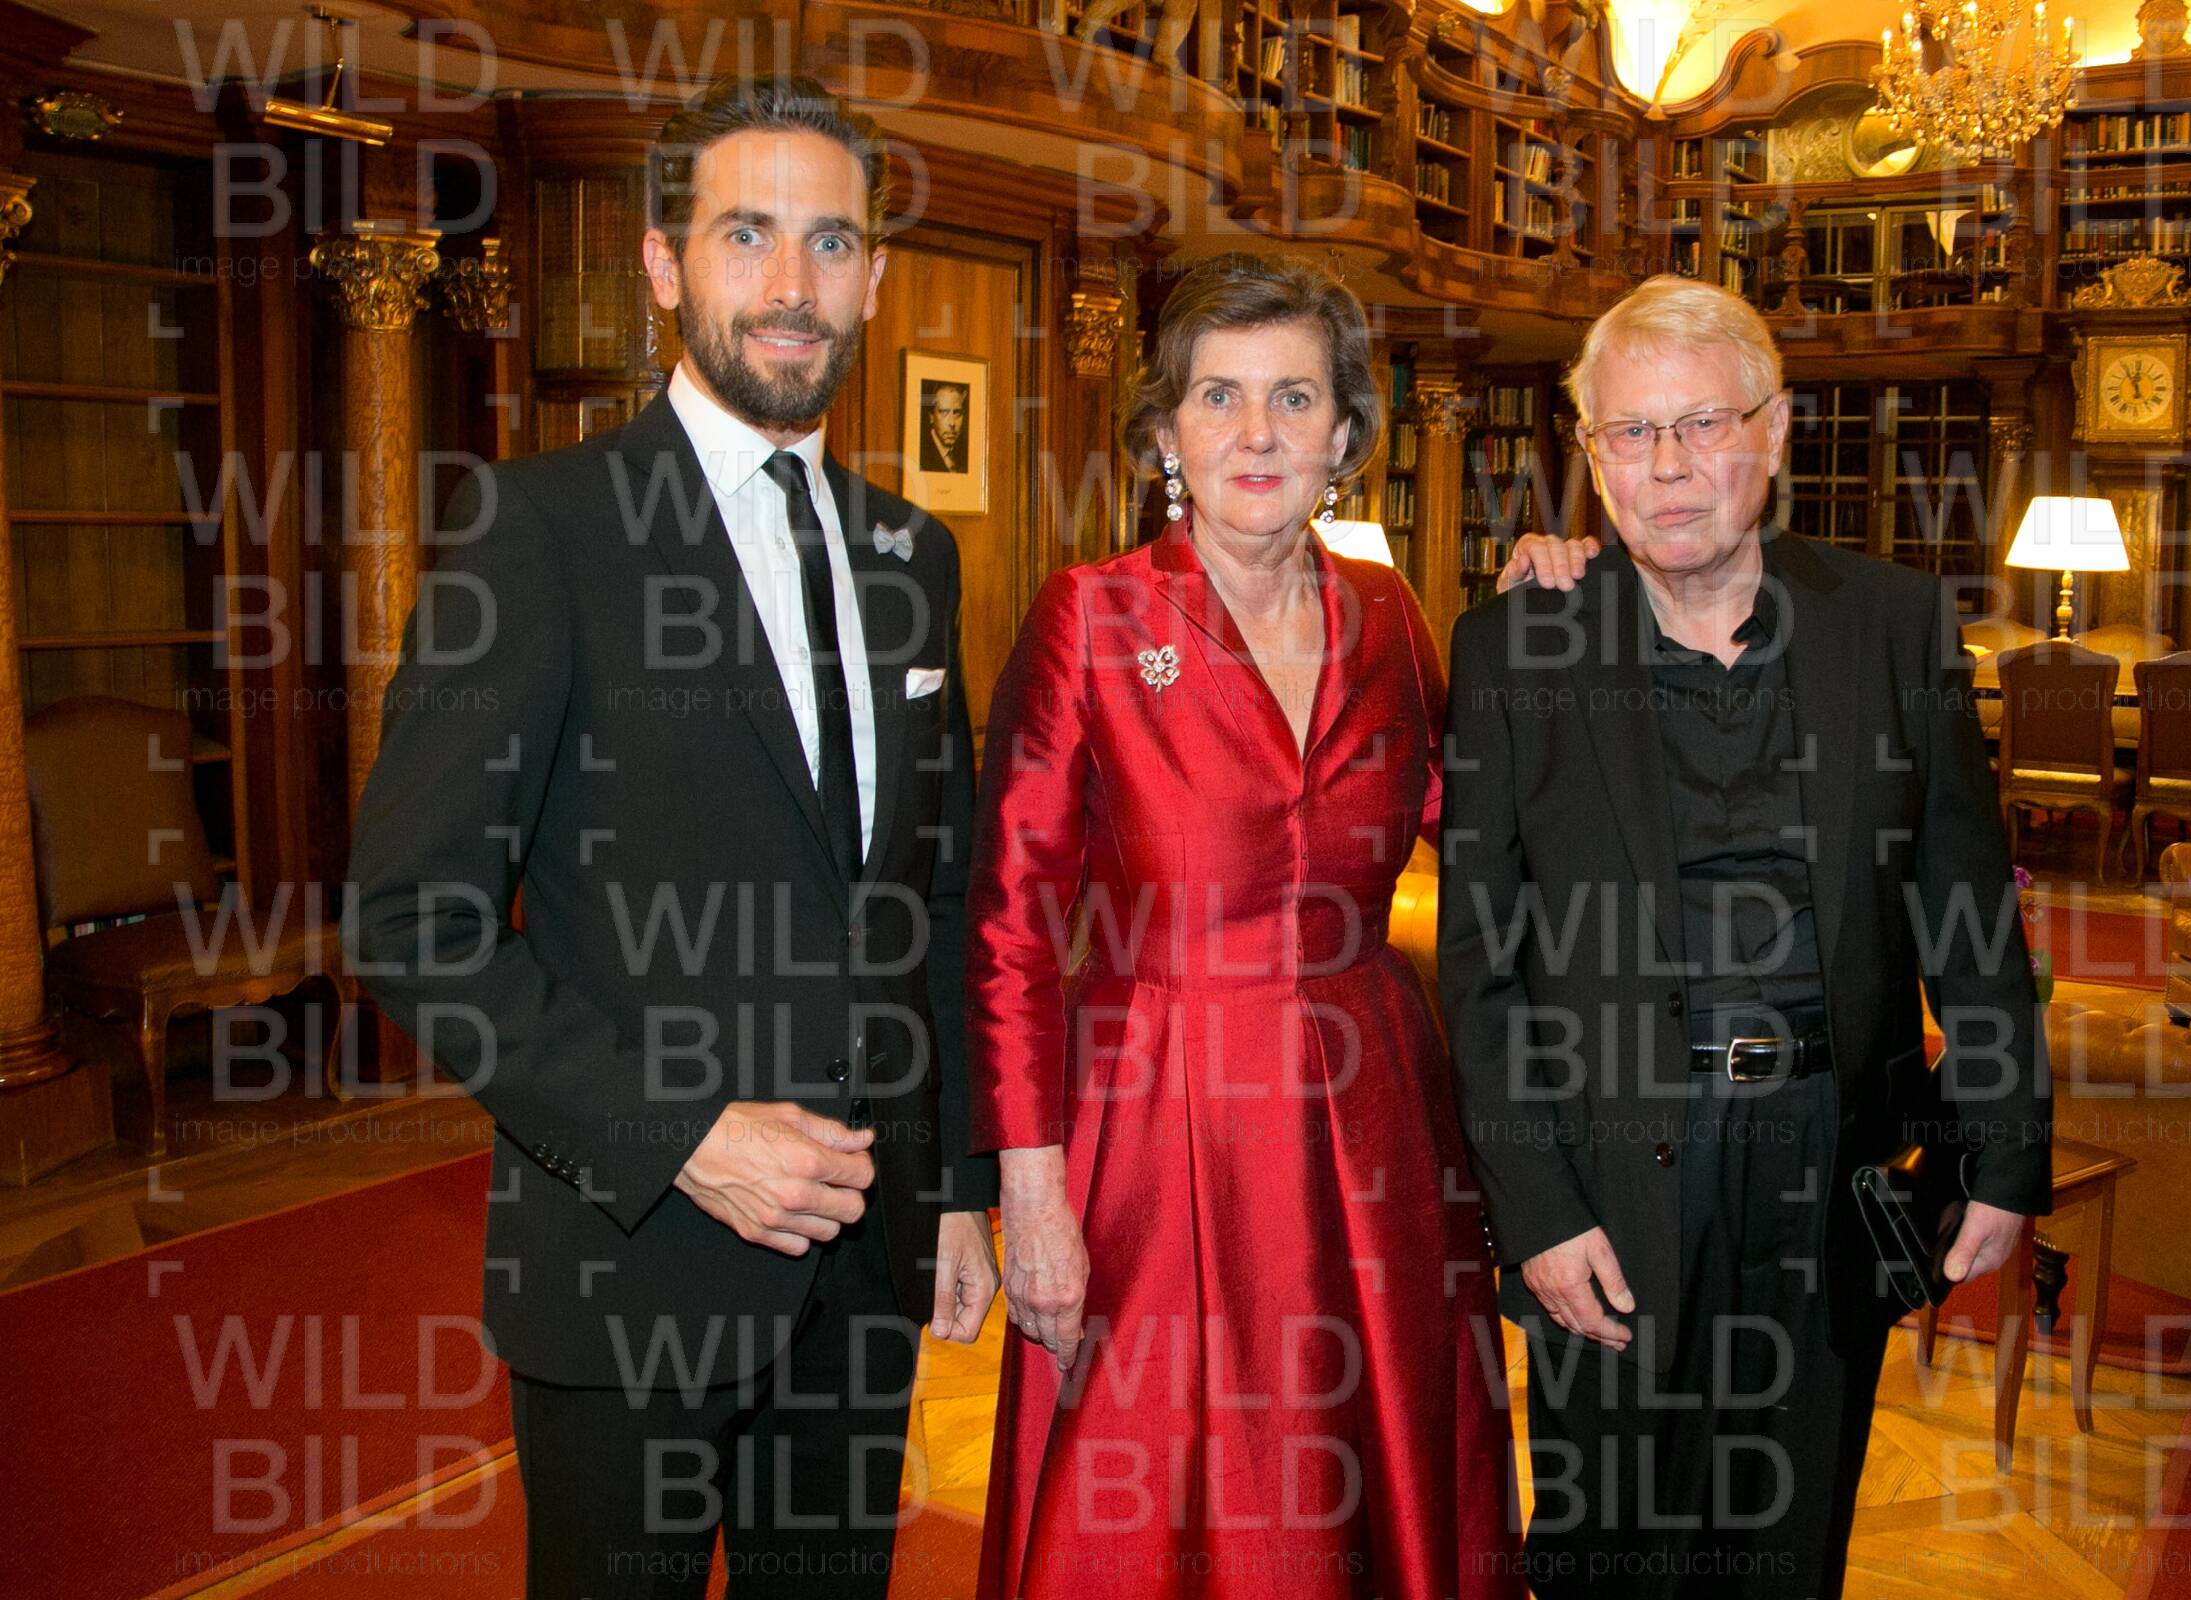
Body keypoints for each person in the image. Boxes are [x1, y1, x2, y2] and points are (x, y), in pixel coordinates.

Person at [348, 75, 999, 1599]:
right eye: (746, 235)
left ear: (874, 280)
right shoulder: (538, 531)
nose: (793, 286)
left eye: (832, 243)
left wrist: (959, 1184)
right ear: (663, 263)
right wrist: (688, 1138)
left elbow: (934, 903)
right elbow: (413, 921)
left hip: (864, 1268)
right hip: (630, 1262)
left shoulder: (913, 555)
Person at [1442, 274, 2050, 1598]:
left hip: (1831, 1166)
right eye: (1630, 432)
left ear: (1774, 431)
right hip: (1608, 1178)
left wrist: (2006, 1153)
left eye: (1702, 424)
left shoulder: (1894, 627)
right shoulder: (1513, 649)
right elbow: (1480, 967)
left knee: (1786, 1548)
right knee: (1608, 1555)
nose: (1666, 466)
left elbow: (1968, 910)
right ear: (1591, 452)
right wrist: (1534, 1212)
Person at [966, 252, 1520, 1598]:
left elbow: (1491, 837)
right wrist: (1028, 1190)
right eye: (1219, 396)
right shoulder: (1091, 617)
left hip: (1375, 1124)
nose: (1257, 433)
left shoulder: (1390, 618)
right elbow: (1010, 930)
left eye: (1294, 398)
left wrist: (1566, 621)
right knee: (1156, 1492)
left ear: (1345, 435)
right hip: (1156, 1126)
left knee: (1371, 1467)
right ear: (1167, 430)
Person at [920, 380, 969, 473]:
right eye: (944, 412)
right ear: (931, 417)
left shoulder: (967, 455)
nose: (952, 423)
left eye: (957, 413)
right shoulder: (920, 455)